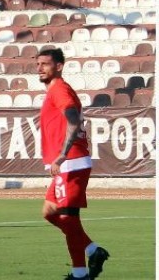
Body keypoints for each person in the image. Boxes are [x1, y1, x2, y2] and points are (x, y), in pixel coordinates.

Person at [36, 48, 109, 280]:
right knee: (49, 212)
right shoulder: (55, 91)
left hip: (72, 163)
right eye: (38, 64)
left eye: (45, 64)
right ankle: (91, 251)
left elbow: (73, 120)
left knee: (68, 218)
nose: (40, 68)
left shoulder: (59, 89)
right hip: (68, 164)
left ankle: (80, 273)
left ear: (59, 66)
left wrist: (62, 155)